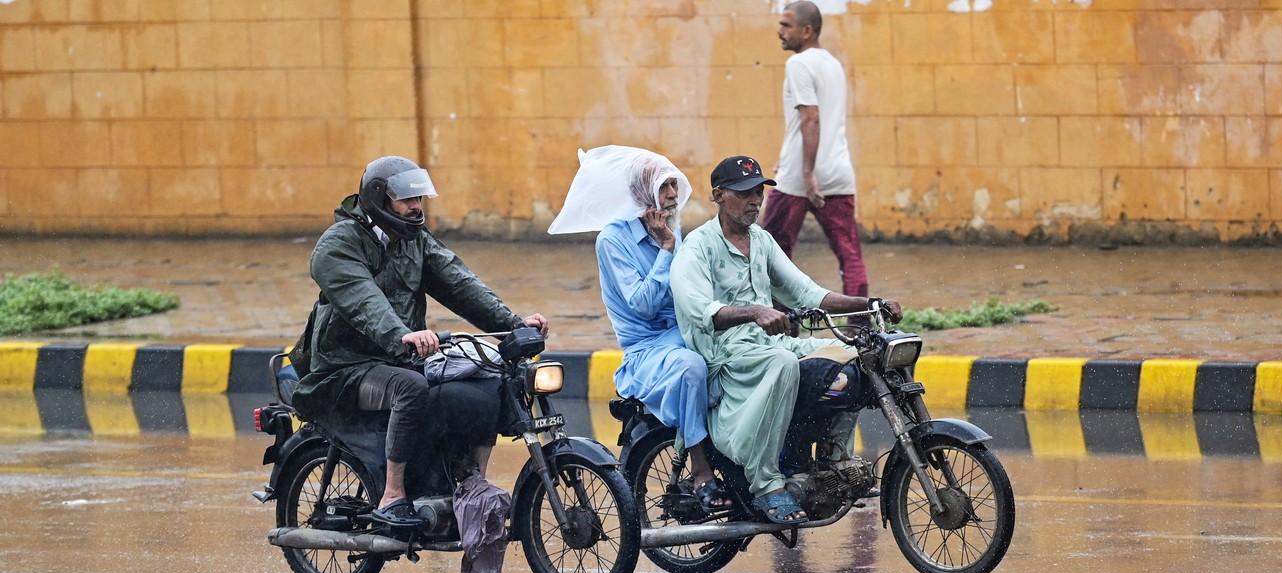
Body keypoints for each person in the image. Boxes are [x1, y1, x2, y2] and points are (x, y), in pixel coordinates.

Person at [293, 155, 549, 528]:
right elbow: (363, 298)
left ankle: (470, 484)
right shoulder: (338, 245)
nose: (416, 208)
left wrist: (512, 324)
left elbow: (459, 284)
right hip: (345, 366)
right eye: (406, 201)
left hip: (400, 357)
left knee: (488, 382)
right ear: (379, 201)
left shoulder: (414, 241)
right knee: (411, 388)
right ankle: (393, 495)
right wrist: (401, 334)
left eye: (419, 200)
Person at [670, 155, 901, 525]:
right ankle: (765, 484)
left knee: (852, 355)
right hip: (727, 356)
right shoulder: (697, 248)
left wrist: (869, 303)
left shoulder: (761, 241)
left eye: (759, 192)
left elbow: (807, 293)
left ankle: (833, 458)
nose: (755, 201)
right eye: (745, 193)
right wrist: (755, 311)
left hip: (769, 346)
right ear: (718, 195)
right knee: (783, 363)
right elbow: (701, 311)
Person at [549, 146, 730, 512]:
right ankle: (699, 469)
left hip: (683, 334)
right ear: (641, 193)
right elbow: (644, 304)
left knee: (744, 356)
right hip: (647, 350)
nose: (673, 195)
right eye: (664, 188)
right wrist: (665, 250)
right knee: (692, 368)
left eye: (674, 187)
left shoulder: (671, 231)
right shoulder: (613, 240)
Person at [760, 0, 868, 299]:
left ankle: (781, 326)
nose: (779, 31)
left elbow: (810, 118)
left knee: (771, 253)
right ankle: (861, 326)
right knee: (850, 255)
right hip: (838, 173)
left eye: (786, 25)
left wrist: (806, 172)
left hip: (800, 177)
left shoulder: (798, 63)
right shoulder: (832, 63)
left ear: (806, 31)